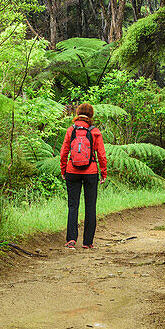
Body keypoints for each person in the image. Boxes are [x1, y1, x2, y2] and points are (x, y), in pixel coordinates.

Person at [59, 103, 107, 249]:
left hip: (72, 171)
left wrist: (63, 170)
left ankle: (71, 240)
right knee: (90, 207)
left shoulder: (70, 130)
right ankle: (87, 242)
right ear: (91, 115)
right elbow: (101, 155)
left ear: (78, 113)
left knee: (73, 206)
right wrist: (103, 172)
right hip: (91, 172)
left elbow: (64, 152)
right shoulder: (95, 131)